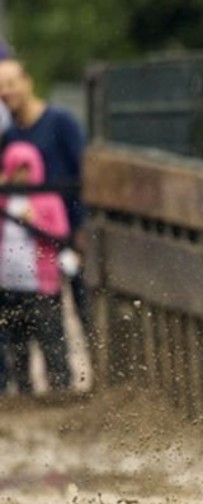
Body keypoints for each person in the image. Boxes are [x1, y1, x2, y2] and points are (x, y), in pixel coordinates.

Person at [0, 59, 87, 382]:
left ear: (27, 82)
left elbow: (84, 172)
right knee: (22, 333)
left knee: (82, 308)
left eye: (10, 83)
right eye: (0, 86)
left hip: (69, 232)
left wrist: (80, 228)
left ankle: (98, 384)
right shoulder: (8, 135)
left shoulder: (61, 122)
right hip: (28, 244)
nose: (5, 92)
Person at [0, 141, 71, 395]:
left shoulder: (48, 199)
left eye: (27, 169)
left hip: (43, 283)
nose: (23, 175)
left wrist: (35, 221)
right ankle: (22, 392)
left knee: (51, 339)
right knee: (16, 344)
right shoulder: (5, 201)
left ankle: (61, 390)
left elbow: (62, 234)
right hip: (9, 285)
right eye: (18, 169)